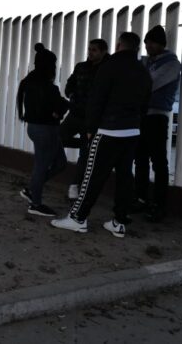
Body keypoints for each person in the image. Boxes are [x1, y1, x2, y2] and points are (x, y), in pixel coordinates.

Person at [51, 32, 152, 238]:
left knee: (92, 175)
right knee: (125, 177)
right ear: (137, 48)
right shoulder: (143, 71)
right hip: (132, 131)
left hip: (108, 130)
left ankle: (78, 218)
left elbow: (97, 99)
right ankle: (119, 222)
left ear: (118, 45)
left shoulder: (110, 67)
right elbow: (145, 102)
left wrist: (90, 128)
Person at [16, 43, 70, 217]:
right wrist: (64, 105)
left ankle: (32, 190)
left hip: (36, 128)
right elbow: (56, 109)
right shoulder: (48, 88)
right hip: (46, 130)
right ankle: (35, 203)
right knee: (42, 167)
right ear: (51, 66)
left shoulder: (28, 82)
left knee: (59, 163)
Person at [134, 25, 181, 222]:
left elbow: (148, 84)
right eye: (146, 42)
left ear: (162, 44)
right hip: (142, 116)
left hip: (157, 117)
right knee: (141, 159)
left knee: (159, 162)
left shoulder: (171, 64)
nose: (147, 45)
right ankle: (141, 198)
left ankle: (159, 205)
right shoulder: (146, 62)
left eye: (151, 42)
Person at [61, 39, 109, 200]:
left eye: (94, 50)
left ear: (103, 51)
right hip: (75, 114)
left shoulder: (108, 68)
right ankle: (83, 145)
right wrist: (71, 93)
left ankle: (75, 185)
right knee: (58, 138)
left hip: (93, 119)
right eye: (89, 49)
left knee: (85, 154)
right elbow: (70, 83)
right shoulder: (81, 66)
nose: (90, 52)